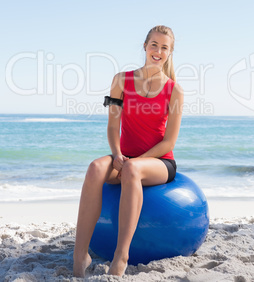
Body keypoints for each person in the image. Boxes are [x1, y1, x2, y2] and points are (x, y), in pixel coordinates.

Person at [73, 25, 184, 277]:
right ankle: (80, 255)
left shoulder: (174, 90)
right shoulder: (121, 80)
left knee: (133, 168)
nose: (158, 51)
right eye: (153, 44)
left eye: (164, 47)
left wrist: (132, 163)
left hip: (159, 162)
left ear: (170, 53)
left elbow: (169, 143)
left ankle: (120, 257)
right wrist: (117, 155)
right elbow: (113, 125)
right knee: (95, 167)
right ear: (145, 46)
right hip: (125, 157)